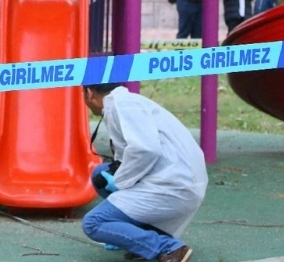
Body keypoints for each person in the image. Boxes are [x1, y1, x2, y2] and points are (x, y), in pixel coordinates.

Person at [81, 83, 208, 262]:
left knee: (93, 223)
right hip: (179, 179)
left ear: (89, 93)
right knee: (101, 174)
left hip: (174, 186)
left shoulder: (123, 106)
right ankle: (133, 237)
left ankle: (169, 248)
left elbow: (146, 150)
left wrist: (120, 181)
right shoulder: (124, 103)